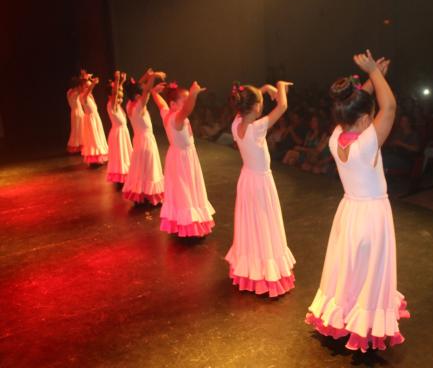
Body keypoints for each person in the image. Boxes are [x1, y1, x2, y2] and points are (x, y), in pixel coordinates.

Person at [305, 50, 410, 352]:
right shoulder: (367, 143)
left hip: (349, 212)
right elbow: (390, 106)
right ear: (365, 117)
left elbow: (351, 106)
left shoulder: (335, 135)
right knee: (370, 270)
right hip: (373, 215)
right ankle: (365, 321)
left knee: (350, 269)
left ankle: (345, 312)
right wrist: (375, 75)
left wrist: (372, 77)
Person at [225, 81, 296, 297]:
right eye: (260, 102)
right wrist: (280, 86)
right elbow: (282, 107)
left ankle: (250, 266)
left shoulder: (236, 124)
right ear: (255, 106)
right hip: (261, 182)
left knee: (251, 223)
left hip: (247, 179)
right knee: (264, 222)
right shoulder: (257, 128)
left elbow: (250, 99)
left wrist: (264, 89)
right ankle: (266, 269)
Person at [150, 80, 215, 237]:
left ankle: (184, 222)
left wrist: (154, 93)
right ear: (173, 104)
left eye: (187, 99)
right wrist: (193, 94)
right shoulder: (176, 119)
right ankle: (189, 226)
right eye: (183, 100)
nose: (187, 103)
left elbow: (161, 104)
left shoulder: (167, 113)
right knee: (185, 190)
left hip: (179, 156)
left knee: (182, 190)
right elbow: (187, 110)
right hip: (183, 159)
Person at [122, 69, 164, 205]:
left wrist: (145, 76)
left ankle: (143, 195)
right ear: (137, 95)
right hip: (146, 141)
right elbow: (145, 92)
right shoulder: (139, 106)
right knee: (149, 169)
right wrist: (153, 77)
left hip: (139, 141)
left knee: (141, 169)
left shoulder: (129, 105)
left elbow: (135, 89)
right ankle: (150, 196)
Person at [106, 71, 133, 184]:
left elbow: (118, 92)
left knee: (125, 154)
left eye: (121, 97)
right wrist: (117, 80)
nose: (120, 99)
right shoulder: (111, 105)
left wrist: (122, 82)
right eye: (117, 97)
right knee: (120, 156)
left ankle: (127, 174)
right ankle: (120, 178)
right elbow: (115, 93)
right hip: (118, 134)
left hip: (123, 132)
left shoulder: (117, 105)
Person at [79, 72, 109, 165]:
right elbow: (88, 90)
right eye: (86, 87)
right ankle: (94, 159)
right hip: (90, 120)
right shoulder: (82, 96)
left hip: (95, 118)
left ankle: (100, 156)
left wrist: (88, 79)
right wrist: (93, 83)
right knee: (93, 139)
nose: (89, 88)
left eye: (89, 86)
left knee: (99, 137)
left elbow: (89, 90)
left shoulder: (90, 96)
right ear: (83, 87)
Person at [66, 75, 84, 153]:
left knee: (76, 130)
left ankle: (77, 146)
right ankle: (79, 146)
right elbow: (83, 90)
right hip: (78, 112)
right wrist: (84, 78)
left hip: (73, 112)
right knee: (80, 130)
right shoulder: (75, 93)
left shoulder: (69, 92)